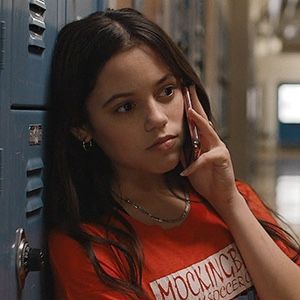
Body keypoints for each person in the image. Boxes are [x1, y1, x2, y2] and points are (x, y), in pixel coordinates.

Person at [45, 8, 300, 300]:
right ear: (82, 127)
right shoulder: (88, 249)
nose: (157, 118)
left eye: (166, 92)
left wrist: (230, 203)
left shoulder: (233, 197)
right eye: (125, 107)